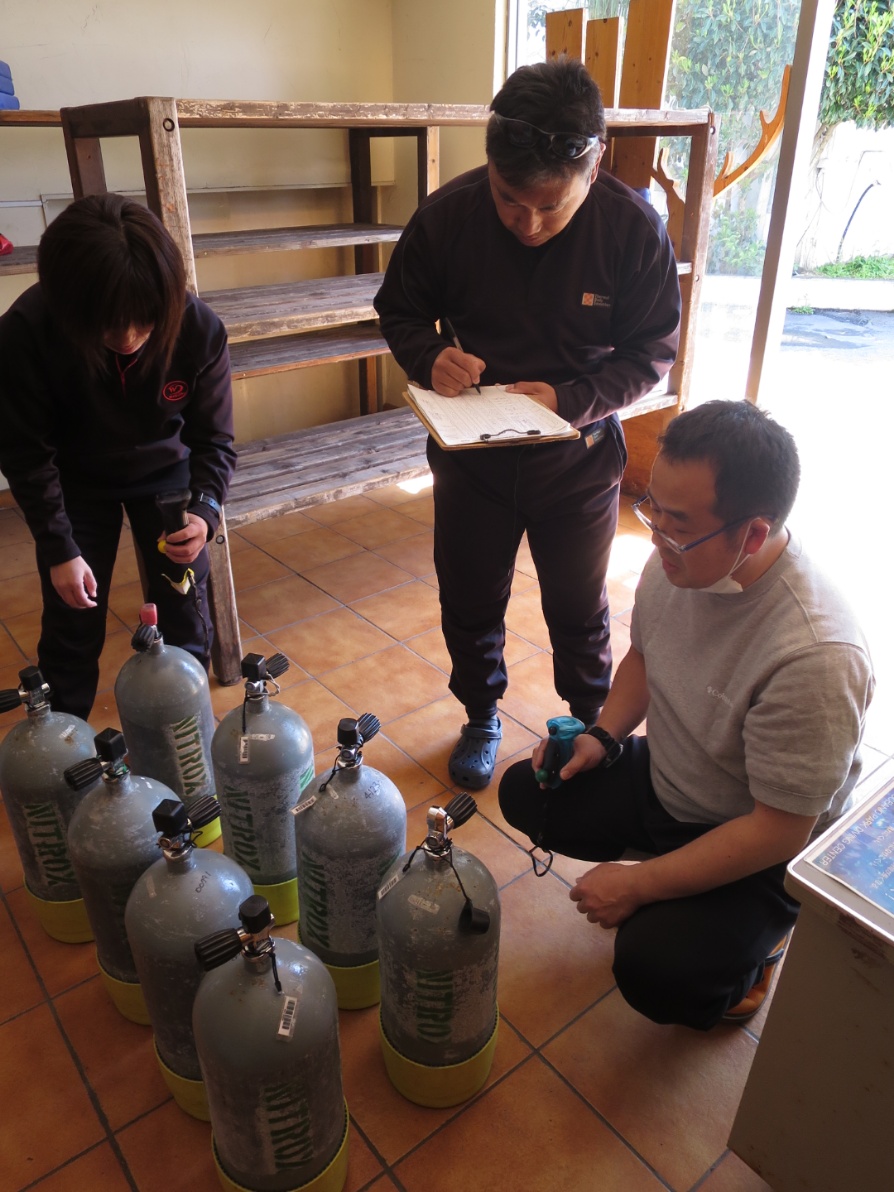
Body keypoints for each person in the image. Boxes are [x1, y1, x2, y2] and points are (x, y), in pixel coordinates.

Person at [498, 400, 875, 1029]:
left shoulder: (816, 653)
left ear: (753, 533)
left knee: (656, 970)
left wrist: (639, 886)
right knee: (525, 792)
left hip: (756, 837)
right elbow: (643, 660)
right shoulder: (677, 561)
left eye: (677, 523)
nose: (656, 537)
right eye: (653, 508)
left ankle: (755, 953)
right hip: (674, 778)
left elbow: (780, 829)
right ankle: (671, 869)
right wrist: (601, 735)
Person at [374, 58, 681, 789]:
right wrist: (431, 354)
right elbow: (400, 310)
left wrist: (572, 400)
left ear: (594, 162)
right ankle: (480, 713)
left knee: (579, 607)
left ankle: (589, 728)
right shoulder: (447, 217)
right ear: (490, 166)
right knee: (470, 596)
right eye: (512, 202)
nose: (530, 223)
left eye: (551, 206)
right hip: (471, 460)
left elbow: (653, 354)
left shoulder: (632, 229)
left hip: (575, 458)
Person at [0, 193, 236, 721]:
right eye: (108, 326)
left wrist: (205, 509)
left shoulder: (197, 327)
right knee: (72, 625)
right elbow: (25, 452)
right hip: (73, 481)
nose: (128, 338)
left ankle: (187, 738)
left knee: (186, 618)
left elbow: (214, 441)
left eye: (144, 322)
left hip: (169, 480)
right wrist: (60, 546)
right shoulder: (26, 331)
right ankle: (62, 751)